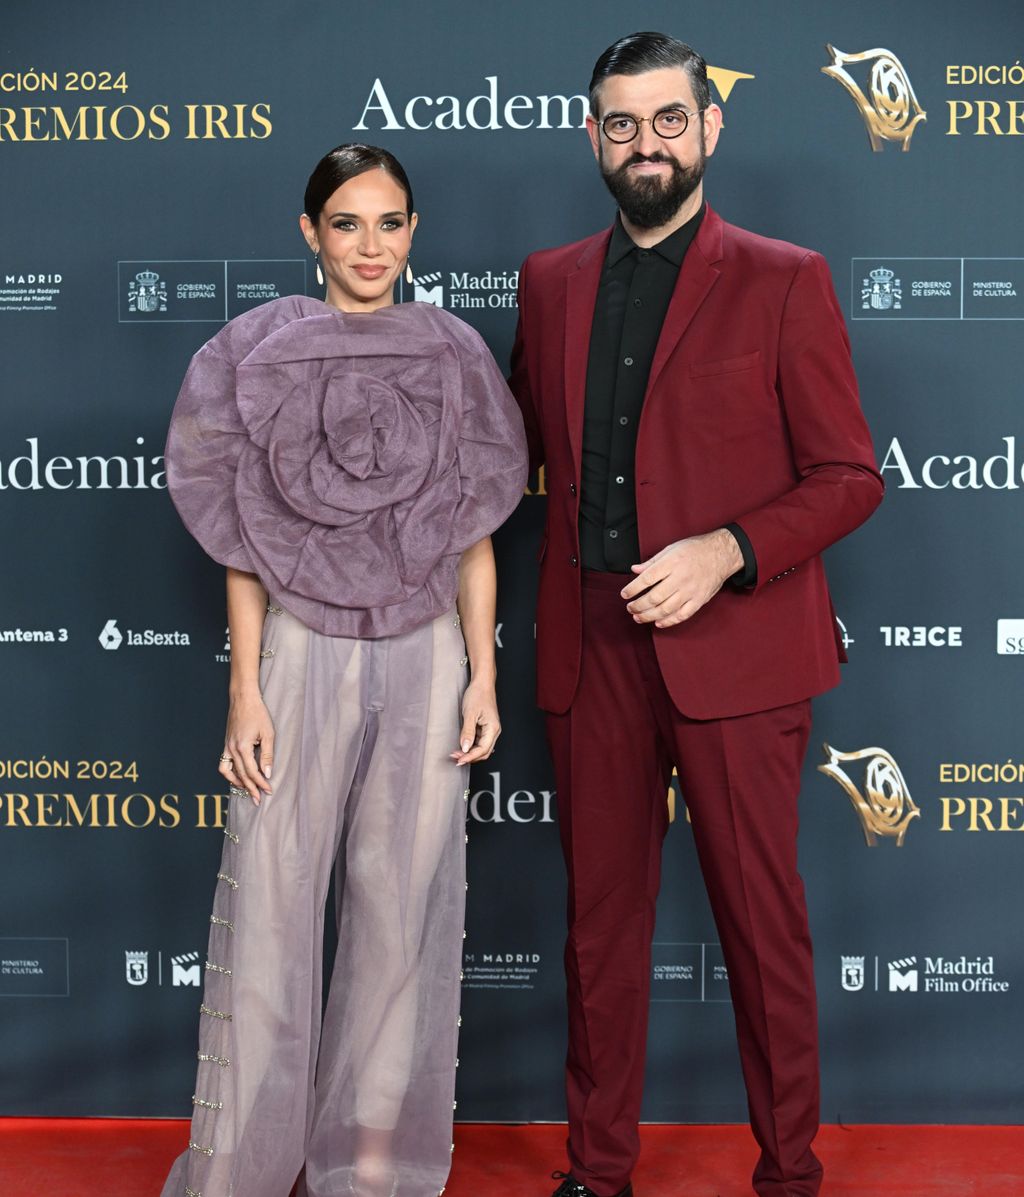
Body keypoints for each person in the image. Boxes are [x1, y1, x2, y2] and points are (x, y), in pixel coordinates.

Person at [509, 32, 883, 1197]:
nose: (645, 144)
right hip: (591, 650)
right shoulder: (549, 281)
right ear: (592, 138)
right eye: (621, 125)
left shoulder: (785, 277)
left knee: (760, 930)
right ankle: (598, 1171)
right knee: (596, 936)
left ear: (709, 128)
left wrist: (726, 550)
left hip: (737, 649)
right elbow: (503, 457)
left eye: (667, 121)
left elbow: (848, 476)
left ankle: (788, 1172)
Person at [160, 143, 527, 1197]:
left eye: (392, 222)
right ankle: (242, 1161)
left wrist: (482, 676)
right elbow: (244, 537)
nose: (373, 245)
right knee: (272, 900)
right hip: (299, 652)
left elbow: (472, 530)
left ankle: (371, 1162)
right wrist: (246, 693)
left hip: (427, 651)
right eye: (350, 223)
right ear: (309, 232)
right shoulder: (253, 351)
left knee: (402, 903)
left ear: (415, 232)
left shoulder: (455, 352)